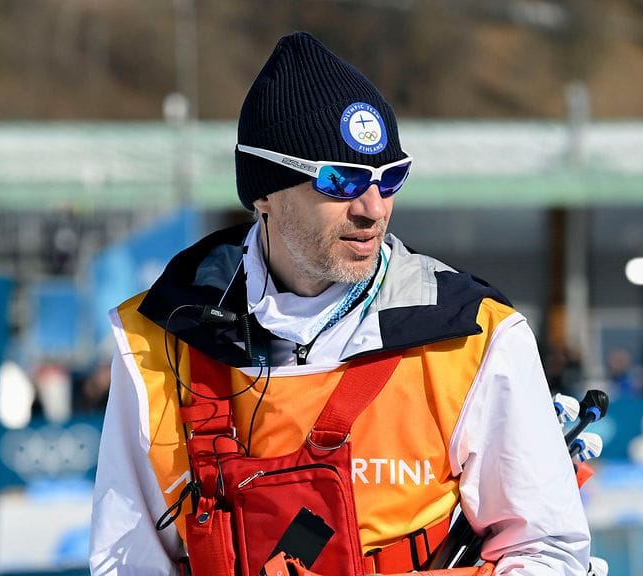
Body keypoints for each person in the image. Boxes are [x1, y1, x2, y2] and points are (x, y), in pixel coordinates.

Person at [89, 32, 590, 576]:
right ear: (264, 192)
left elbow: (548, 549)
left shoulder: (472, 333)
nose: (373, 208)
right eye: (340, 180)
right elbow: (128, 559)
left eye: (390, 177)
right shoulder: (159, 337)